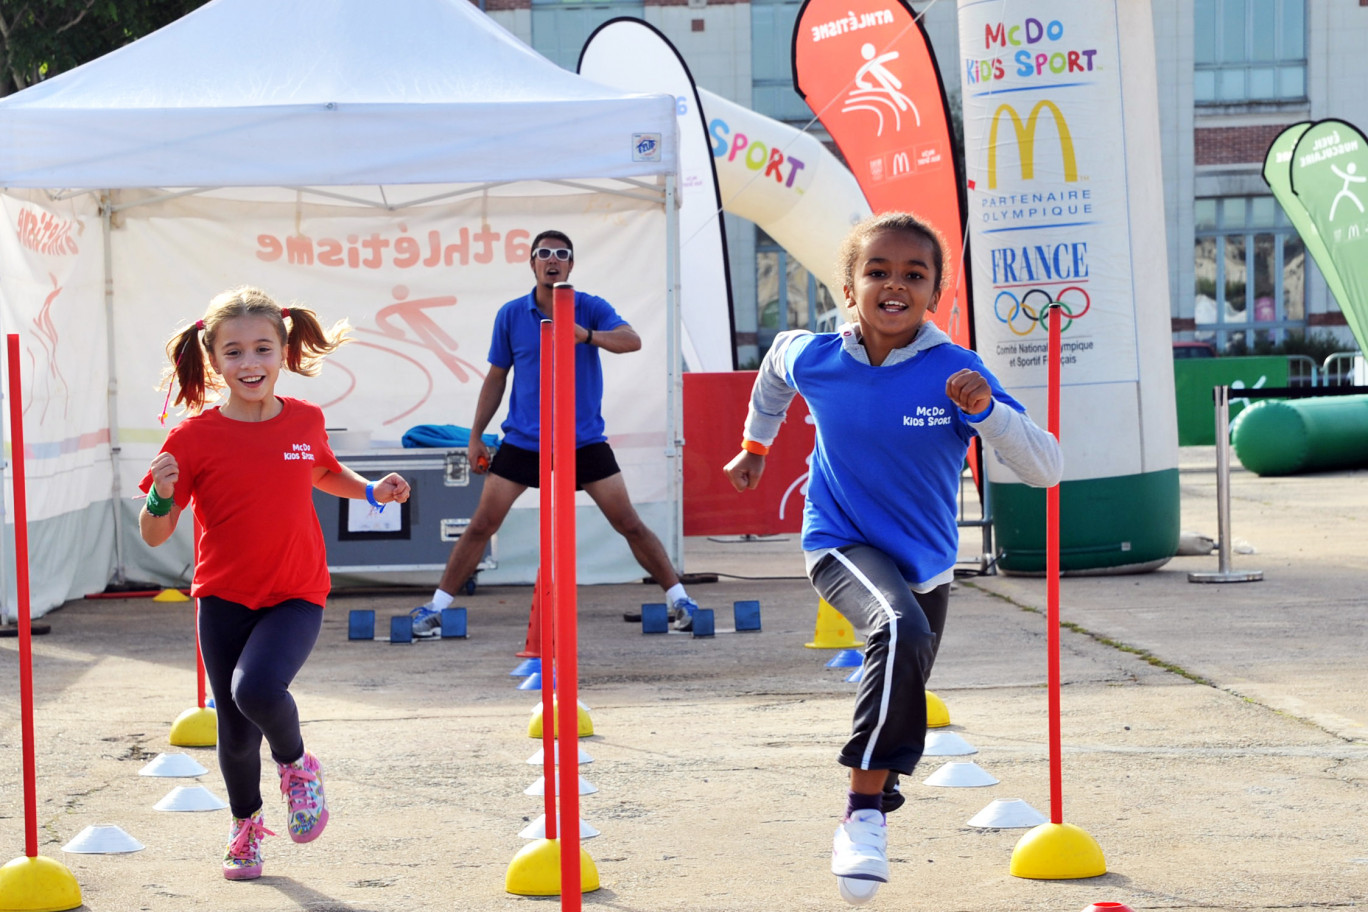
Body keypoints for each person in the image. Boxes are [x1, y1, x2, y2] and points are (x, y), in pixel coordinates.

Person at [722, 212, 1062, 905]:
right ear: (850, 287)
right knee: (898, 629)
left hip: (928, 563)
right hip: (839, 543)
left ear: (935, 292)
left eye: (914, 274)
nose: (894, 284)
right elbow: (773, 372)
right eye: (878, 271)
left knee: (905, 674)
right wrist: (756, 445)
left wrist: (989, 411)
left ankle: (882, 790)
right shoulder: (815, 354)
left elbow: (1047, 469)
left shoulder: (956, 372)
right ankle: (863, 814)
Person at [138, 286, 411, 881]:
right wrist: (160, 493)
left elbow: (321, 469)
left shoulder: (306, 420)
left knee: (257, 691)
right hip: (224, 597)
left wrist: (369, 489)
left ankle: (296, 766)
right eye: (233, 353)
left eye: (262, 348)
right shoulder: (192, 439)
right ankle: (245, 829)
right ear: (213, 360)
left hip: (295, 591)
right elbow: (156, 534)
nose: (250, 363)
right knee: (234, 733)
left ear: (284, 351)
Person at [409, 229, 703, 635]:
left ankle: (681, 600)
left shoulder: (590, 307)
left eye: (561, 254)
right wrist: (476, 434)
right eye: (544, 253)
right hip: (525, 442)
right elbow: (496, 378)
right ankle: (435, 608)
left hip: (583, 441)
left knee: (629, 523)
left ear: (570, 265)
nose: (553, 260)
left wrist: (586, 335)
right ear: (532, 263)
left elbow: (631, 340)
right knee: (482, 524)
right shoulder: (511, 314)